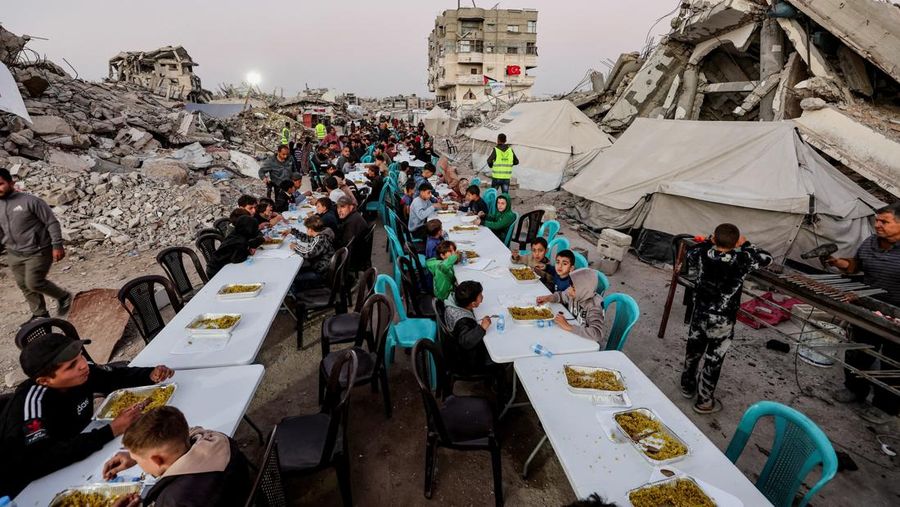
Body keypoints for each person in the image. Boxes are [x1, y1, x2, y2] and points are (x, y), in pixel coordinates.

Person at [0, 333, 173, 497]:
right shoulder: (31, 406)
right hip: (32, 486)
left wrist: (149, 374)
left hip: (85, 457)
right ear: (45, 381)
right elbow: (42, 459)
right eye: (71, 366)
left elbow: (115, 377)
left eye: (81, 356)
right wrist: (111, 430)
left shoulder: (83, 372)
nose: (83, 364)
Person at [679, 224, 772, 414]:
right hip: (722, 319)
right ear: (736, 242)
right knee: (714, 358)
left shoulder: (699, 252)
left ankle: (687, 386)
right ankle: (704, 400)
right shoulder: (742, 259)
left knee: (693, 350)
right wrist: (746, 244)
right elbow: (767, 258)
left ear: (714, 238)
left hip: (700, 313)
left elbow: (692, 257)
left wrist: (708, 241)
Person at [828, 202, 900, 424]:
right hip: (868, 309)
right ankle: (854, 389)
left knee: (892, 363)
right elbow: (858, 265)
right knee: (858, 351)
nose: (877, 225)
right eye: (877, 220)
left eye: (884, 222)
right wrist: (842, 263)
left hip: (897, 318)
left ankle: (885, 406)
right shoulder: (870, 243)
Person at [101, 406, 251, 507]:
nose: (138, 464)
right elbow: (186, 431)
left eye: (140, 461)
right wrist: (137, 455)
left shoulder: (173, 499)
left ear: (157, 460)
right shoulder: (217, 440)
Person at [0, 168, 71, 323]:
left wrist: (57, 245)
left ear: (11, 183)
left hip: (38, 251)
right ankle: (40, 314)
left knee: (34, 282)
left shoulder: (30, 201)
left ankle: (64, 296)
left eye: (1, 184)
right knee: (24, 285)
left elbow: (51, 222)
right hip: (14, 253)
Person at [536, 267, 604, 343]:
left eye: (573, 289)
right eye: (570, 286)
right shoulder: (575, 294)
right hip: (572, 333)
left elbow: (597, 334)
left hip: (586, 341)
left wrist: (569, 326)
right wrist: (548, 298)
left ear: (584, 290)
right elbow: (561, 296)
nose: (569, 290)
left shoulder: (594, 306)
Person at [444, 281, 495, 373]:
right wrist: (482, 327)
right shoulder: (463, 321)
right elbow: (466, 341)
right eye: (480, 296)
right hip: (467, 361)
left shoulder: (452, 302)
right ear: (473, 304)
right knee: (496, 355)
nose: (482, 297)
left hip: (454, 350)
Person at [290, 215, 336, 284]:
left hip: (321, 273)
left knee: (292, 279)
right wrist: (293, 232)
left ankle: (296, 293)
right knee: (295, 272)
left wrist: (296, 247)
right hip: (320, 267)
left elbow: (308, 253)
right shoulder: (322, 234)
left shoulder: (320, 240)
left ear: (310, 230)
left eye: (307, 229)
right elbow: (308, 239)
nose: (306, 230)